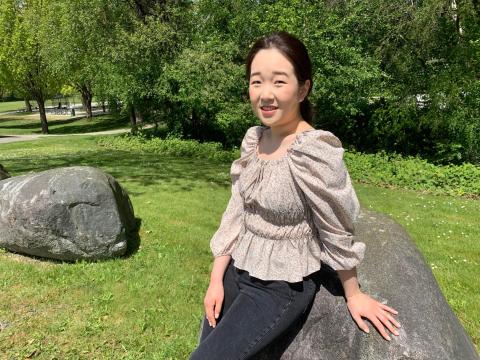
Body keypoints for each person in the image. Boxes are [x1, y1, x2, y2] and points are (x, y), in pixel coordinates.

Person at [189, 31, 401, 360]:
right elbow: (236, 211)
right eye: (256, 81)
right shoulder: (254, 139)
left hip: (280, 286)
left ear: (303, 88)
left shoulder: (313, 150)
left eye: (279, 82)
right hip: (236, 271)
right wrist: (216, 278)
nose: (265, 94)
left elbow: (336, 224)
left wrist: (354, 292)